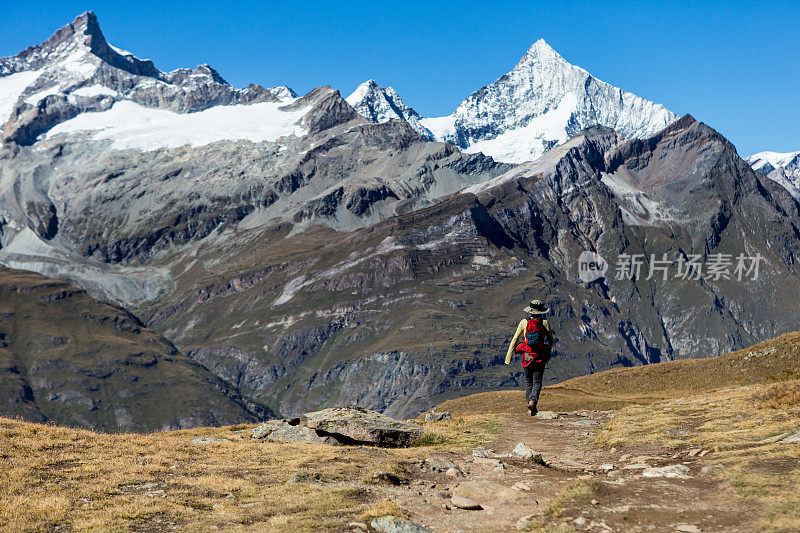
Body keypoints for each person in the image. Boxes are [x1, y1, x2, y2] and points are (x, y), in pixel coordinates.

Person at [505, 299, 555, 416]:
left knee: (528, 383)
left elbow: (515, 340)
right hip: (540, 357)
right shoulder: (545, 323)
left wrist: (508, 357)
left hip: (527, 357)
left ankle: (530, 407)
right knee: (537, 382)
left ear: (530, 311)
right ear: (541, 311)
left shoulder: (524, 322)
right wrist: (547, 348)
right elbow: (551, 341)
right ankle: (533, 402)